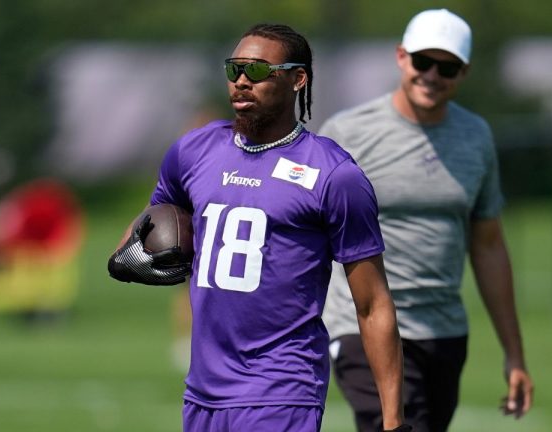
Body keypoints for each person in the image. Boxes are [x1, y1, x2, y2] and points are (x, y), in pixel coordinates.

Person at [107, 23, 409, 432]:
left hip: (282, 390)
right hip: (203, 393)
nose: (243, 82)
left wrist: (393, 420)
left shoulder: (334, 175)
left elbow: (372, 304)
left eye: (259, 71)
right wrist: (134, 256)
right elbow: (149, 220)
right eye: (235, 70)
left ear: (298, 79)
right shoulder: (195, 150)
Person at [320, 9, 534, 431]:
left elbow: (488, 245)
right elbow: (305, 231)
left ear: (464, 72)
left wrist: (514, 354)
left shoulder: (476, 137)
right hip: (362, 328)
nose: (432, 75)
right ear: (401, 57)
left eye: (448, 66)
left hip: (444, 331)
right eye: (423, 61)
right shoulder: (348, 133)